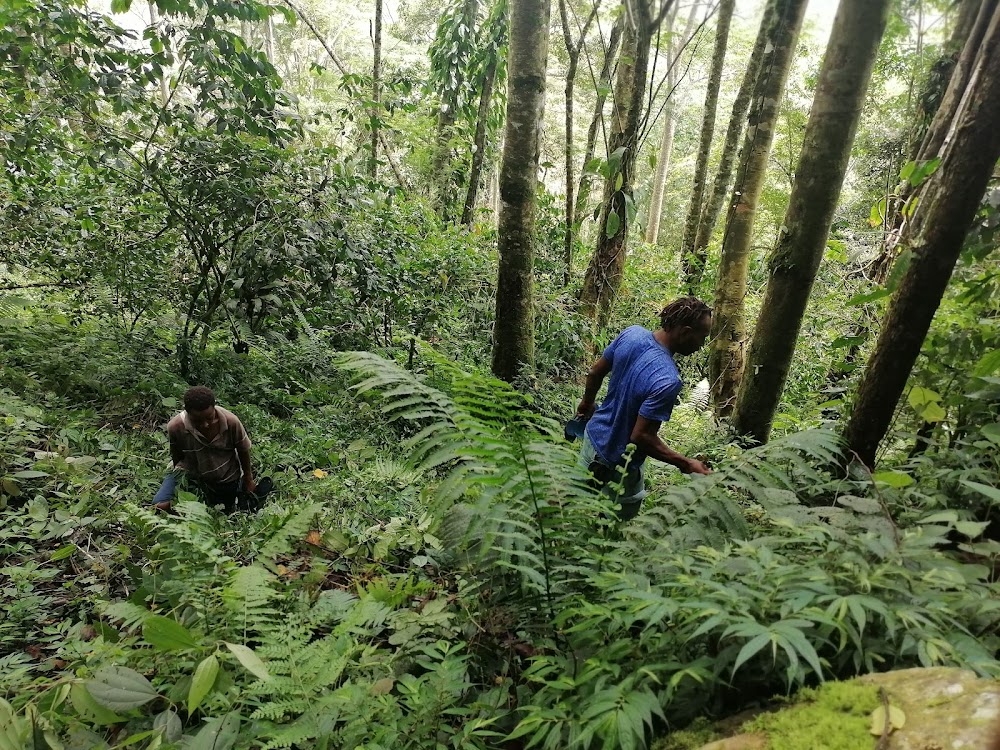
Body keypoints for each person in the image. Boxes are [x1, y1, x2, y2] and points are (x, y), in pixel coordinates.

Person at [576, 297, 713, 520]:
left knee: (572, 508)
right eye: (702, 337)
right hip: (621, 464)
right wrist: (686, 464)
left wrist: (587, 403)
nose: (701, 345)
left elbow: (595, 373)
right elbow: (641, 436)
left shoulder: (632, 334)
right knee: (615, 528)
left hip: (592, 438)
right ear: (686, 332)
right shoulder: (667, 379)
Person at [152, 386, 260, 513]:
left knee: (221, 511)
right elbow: (177, 455)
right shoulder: (176, 426)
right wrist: (181, 482)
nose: (205, 424)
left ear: (214, 408)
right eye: (197, 420)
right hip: (191, 473)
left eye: (209, 418)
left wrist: (248, 478)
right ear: (187, 412)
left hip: (225, 476)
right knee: (159, 506)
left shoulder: (231, 422)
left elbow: (243, 450)